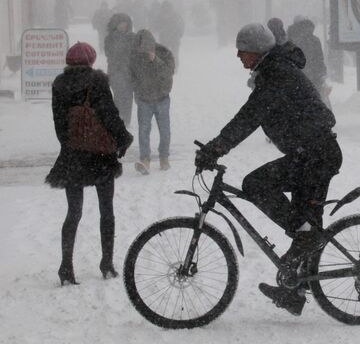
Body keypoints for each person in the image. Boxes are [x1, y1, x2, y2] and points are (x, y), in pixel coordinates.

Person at [195, 23, 342, 316]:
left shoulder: (277, 74)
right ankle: (294, 289)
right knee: (304, 221)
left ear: (257, 50)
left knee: (256, 184)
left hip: (315, 155)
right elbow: (251, 115)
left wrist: (216, 148)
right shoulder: (273, 70)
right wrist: (217, 147)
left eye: (242, 50)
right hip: (310, 154)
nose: (238, 55)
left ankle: (305, 239)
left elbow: (249, 117)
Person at [45, 42, 133, 285]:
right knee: (107, 210)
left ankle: (65, 267)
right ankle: (106, 264)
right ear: (91, 61)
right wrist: (123, 138)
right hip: (100, 157)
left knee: (73, 212)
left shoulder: (59, 85)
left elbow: (59, 123)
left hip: (73, 156)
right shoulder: (97, 82)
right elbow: (109, 114)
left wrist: (70, 145)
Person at [130, 29, 175, 174]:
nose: (143, 51)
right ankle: (145, 159)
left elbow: (168, 73)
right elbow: (132, 77)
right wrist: (136, 91)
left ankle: (164, 158)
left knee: (165, 130)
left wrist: (155, 60)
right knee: (143, 130)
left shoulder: (165, 53)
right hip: (144, 99)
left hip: (162, 98)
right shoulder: (135, 57)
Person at [287, 16, 331, 109]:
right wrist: (321, 72)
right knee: (318, 97)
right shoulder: (314, 40)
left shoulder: (291, 39)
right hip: (314, 75)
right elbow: (319, 58)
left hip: (297, 74)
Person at [105, 13, 136, 126]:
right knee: (118, 94)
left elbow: (137, 54)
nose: (123, 25)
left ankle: (126, 119)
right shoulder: (110, 38)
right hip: (116, 70)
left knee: (128, 95)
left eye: (125, 23)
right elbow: (109, 54)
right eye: (120, 23)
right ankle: (118, 118)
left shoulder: (133, 37)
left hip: (130, 71)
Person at [155, 1, 185, 66]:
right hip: (174, 38)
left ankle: (166, 67)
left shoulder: (160, 16)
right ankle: (174, 67)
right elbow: (181, 25)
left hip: (166, 38)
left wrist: (161, 30)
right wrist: (180, 34)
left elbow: (156, 26)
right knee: (174, 54)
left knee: (165, 54)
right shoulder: (176, 15)